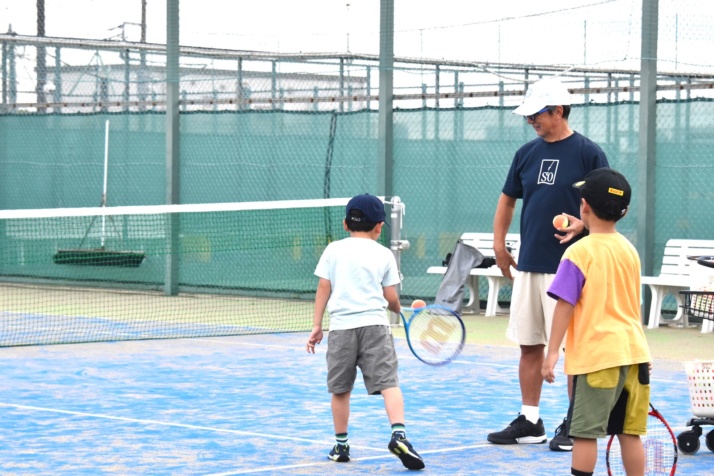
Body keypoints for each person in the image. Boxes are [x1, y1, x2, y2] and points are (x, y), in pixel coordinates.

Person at [487, 78, 609, 451]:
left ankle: (576, 423)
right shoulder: (525, 154)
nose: (531, 121)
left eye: (536, 114)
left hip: (572, 267)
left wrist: (583, 224)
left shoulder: (589, 153)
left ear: (558, 111)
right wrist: (500, 246)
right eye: (528, 116)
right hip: (529, 265)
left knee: (575, 348)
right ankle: (531, 420)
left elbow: (608, 206)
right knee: (529, 345)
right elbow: (507, 201)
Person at [542, 168, 652, 476]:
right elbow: (634, 307)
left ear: (584, 206)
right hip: (634, 356)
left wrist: (552, 352)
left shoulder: (578, 252)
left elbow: (565, 305)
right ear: (624, 211)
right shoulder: (630, 251)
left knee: (584, 434)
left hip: (597, 360)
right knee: (630, 433)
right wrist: (642, 351)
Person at [306, 193, 425, 471]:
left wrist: (316, 325)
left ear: (346, 224)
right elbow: (390, 297)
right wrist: (397, 308)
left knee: (340, 389)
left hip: (341, 330)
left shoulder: (333, 250)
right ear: (379, 227)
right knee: (389, 384)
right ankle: (399, 435)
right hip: (375, 327)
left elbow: (324, 288)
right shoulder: (384, 254)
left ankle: (341, 446)